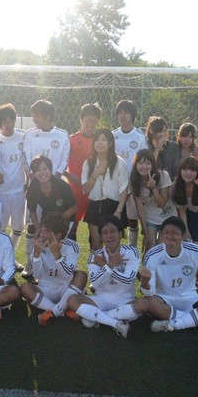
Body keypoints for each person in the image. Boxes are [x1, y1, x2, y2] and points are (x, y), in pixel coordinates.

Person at [139, 216, 198, 334]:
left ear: (183, 235)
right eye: (166, 232)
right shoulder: (152, 255)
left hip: (190, 297)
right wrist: (145, 282)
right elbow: (149, 292)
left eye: (174, 233)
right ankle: (195, 320)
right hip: (163, 299)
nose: (170, 236)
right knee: (148, 302)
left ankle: (172, 324)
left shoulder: (196, 251)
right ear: (161, 235)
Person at [67, 215, 143, 339]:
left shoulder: (131, 252)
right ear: (101, 237)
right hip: (101, 299)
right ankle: (116, 323)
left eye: (112, 231)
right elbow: (95, 284)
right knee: (72, 300)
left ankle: (97, 316)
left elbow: (128, 280)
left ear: (120, 234)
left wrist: (105, 265)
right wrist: (110, 265)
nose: (109, 236)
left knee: (143, 304)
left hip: (125, 300)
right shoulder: (95, 256)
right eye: (105, 233)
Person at [22, 100, 70, 274]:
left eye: (37, 115)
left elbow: (65, 157)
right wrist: (34, 176)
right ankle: (29, 262)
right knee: (32, 225)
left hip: (54, 187)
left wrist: (55, 176)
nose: (34, 119)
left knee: (52, 224)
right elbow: (26, 157)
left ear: (48, 116)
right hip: (35, 185)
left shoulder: (62, 134)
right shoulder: (30, 134)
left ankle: (52, 263)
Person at [20, 212, 86, 325]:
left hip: (66, 288)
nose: (41, 235)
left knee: (81, 275)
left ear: (58, 234)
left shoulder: (71, 246)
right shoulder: (37, 245)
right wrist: (36, 255)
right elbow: (38, 276)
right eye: (42, 230)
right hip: (45, 289)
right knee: (25, 287)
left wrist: (57, 255)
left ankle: (52, 312)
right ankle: (60, 310)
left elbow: (66, 274)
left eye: (46, 232)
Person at [25, 156, 77, 272]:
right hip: (47, 219)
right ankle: (43, 270)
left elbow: (74, 208)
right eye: (38, 170)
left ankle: (69, 268)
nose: (42, 173)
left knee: (62, 244)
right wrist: (38, 228)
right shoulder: (32, 188)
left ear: (50, 169)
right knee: (44, 244)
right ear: (34, 173)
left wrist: (57, 220)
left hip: (66, 218)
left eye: (45, 169)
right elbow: (32, 211)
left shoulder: (62, 185)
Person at [82, 128, 128, 250]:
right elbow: (85, 189)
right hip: (95, 206)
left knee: (113, 245)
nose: (100, 143)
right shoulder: (88, 163)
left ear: (110, 143)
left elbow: (124, 188)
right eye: (97, 140)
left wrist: (118, 211)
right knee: (96, 245)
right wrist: (96, 174)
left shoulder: (119, 162)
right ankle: (97, 263)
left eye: (104, 139)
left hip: (114, 206)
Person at [112, 99, 147, 247]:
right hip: (115, 182)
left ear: (132, 115)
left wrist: (137, 181)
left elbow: (144, 160)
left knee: (132, 219)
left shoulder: (139, 136)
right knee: (115, 215)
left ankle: (132, 248)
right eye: (120, 113)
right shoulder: (113, 135)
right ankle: (115, 249)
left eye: (126, 112)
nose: (123, 116)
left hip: (133, 183)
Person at [64, 103, 102, 241]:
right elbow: (61, 163)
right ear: (81, 119)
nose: (90, 125)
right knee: (73, 224)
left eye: (94, 122)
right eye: (88, 121)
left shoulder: (100, 140)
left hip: (94, 188)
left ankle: (96, 253)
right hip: (75, 189)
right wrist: (68, 175)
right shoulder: (71, 140)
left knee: (95, 226)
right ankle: (70, 252)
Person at [130, 149, 177, 254]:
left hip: (167, 216)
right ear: (135, 164)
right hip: (150, 217)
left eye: (148, 163)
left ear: (153, 164)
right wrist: (145, 232)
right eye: (140, 163)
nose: (144, 167)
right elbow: (139, 207)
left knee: (161, 247)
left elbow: (162, 203)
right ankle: (146, 264)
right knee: (150, 245)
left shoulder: (163, 175)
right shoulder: (134, 180)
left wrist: (154, 188)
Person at [0, 103, 27, 249]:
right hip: (1, 191)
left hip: (19, 190)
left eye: (11, 120)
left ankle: (10, 254)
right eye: (5, 121)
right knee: (0, 226)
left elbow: (28, 160)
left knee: (19, 226)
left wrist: (28, 180)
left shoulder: (23, 137)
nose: (8, 124)